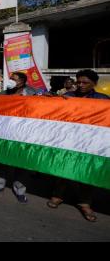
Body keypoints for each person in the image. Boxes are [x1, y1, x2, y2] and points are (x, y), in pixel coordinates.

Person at [47, 69, 109, 222]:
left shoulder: (103, 100)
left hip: (90, 143)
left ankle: (85, 203)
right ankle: (58, 196)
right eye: (78, 82)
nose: (80, 85)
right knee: (63, 169)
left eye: (85, 82)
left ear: (94, 84)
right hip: (68, 141)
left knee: (87, 173)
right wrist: (50, 100)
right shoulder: (68, 97)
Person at [0, 71, 37, 203]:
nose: (10, 81)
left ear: (22, 82)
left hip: (23, 134)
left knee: (21, 163)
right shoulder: (3, 94)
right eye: (10, 78)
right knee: (3, 161)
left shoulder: (33, 93)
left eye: (13, 79)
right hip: (6, 133)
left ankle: (19, 190)